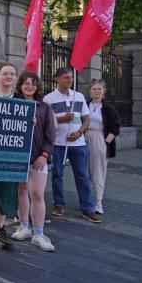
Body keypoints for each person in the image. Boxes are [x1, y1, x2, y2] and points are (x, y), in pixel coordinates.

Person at [44, 68, 100, 223]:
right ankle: (59, 204)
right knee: (57, 175)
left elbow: (87, 118)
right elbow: (46, 121)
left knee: (82, 176)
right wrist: (63, 118)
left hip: (78, 143)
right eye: (65, 77)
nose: (69, 80)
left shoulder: (79, 96)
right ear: (56, 79)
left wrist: (80, 132)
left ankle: (88, 208)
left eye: (70, 77)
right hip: (58, 143)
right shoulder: (49, 99)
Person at [11, 71, 56, 251]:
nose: (29, 86)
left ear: (37, 87)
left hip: (38, 158)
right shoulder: (14, 105)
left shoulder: (44, 107)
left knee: (37, 193)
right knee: (21, 191)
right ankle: (24, 227)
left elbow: (50, 134)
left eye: (33, 83)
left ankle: (39, 233)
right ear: (20, 85)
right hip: (20, 157)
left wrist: (44, 155)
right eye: (26, 83)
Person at [0, 62, 19, 250]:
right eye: (5, 73)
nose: (8, 76)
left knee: (5, 190)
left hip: (9, 153)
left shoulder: (19, 99)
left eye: (12, 74)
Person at [86, 79, 121, 215]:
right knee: (85, 173)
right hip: (84, 138)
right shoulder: (85, 104)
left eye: (99, 88)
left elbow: (116, 126)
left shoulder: (108, 108)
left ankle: (98, 202)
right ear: (90, 90)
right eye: (94, 88)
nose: (97, 91)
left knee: (98, 173)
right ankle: (87, 201)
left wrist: (106, 142)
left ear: (103, 90)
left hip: (99, 139)